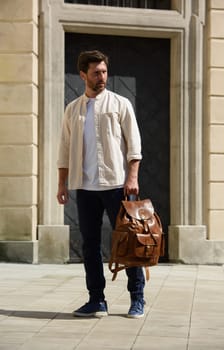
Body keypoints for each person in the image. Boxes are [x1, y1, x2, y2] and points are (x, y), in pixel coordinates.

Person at [57, 50, 145, 318]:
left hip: (117, 185)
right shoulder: (72, 109)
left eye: (104, 71)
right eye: (96, 73)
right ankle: (97, 300)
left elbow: (134, 145)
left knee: (130, 242)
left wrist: (132, 177)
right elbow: (64, 149)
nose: (102, 77)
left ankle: (137, 298)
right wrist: (62, 184)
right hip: (85, 188)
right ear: (83, 75)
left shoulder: (120, 104)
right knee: (90, 245)